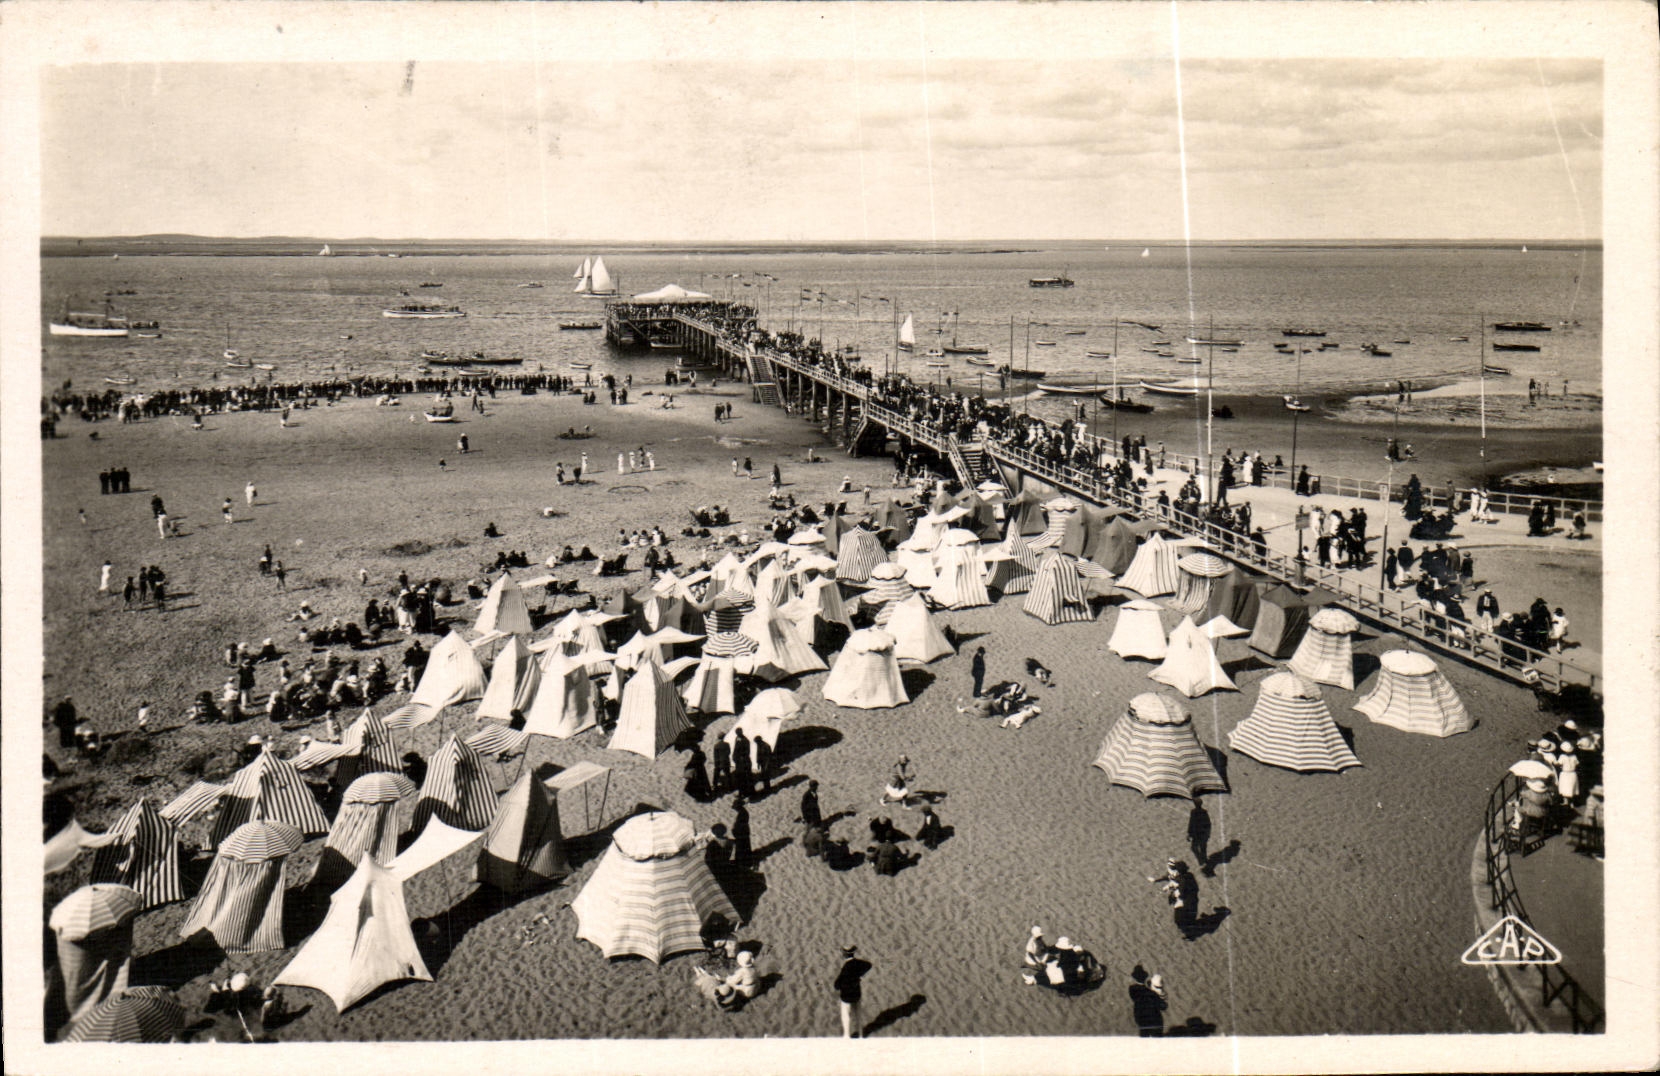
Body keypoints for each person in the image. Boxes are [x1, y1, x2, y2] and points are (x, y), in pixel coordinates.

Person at [834, 945, 872, 1038]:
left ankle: (846, 1035)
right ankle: (860, 1034)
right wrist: (859, 975)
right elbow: (868, 965)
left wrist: (841, 985)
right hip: (856, 993)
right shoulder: (858, 963)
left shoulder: (845, 967)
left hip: (846, 995)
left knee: (846, 1014)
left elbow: (837, 984)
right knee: (858, 1014)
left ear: (844, 955)